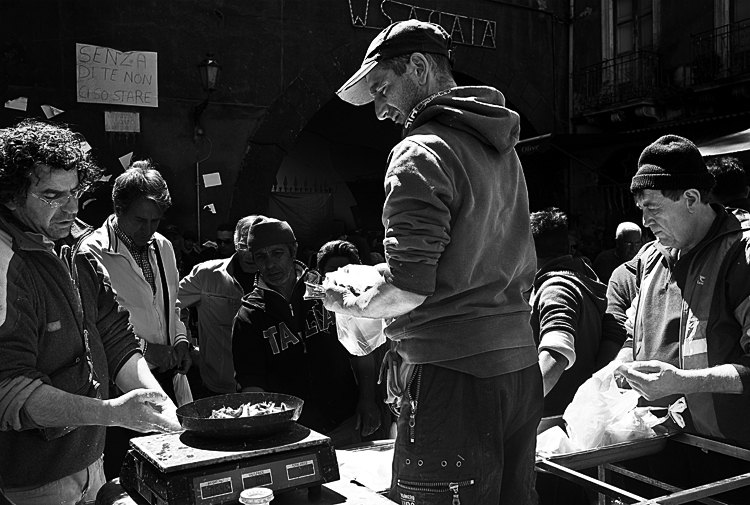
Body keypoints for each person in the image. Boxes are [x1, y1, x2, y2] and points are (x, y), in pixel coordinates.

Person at [329, 20, 543, 504]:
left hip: (454, 376)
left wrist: (342, 300)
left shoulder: (419, 150)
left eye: (382, 89)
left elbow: (408, 287)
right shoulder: (501, 149)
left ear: (419, 67)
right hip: (518, 369)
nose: (380, 110)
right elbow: (471, 258)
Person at [0, 120, 180, 505]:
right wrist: (112, 413)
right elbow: (10, 389)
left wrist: (156, 400)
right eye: (52, 195)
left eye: (75, 192)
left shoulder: (75, 249)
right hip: (32, 483)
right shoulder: (6, 264)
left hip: (90, 462)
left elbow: (115, 336)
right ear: (12, 196)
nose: (72, 208)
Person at [613, 134, 750, 503]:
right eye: (640, 209)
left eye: (653, 208)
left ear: (691, 199)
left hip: (729, 459)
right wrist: (623, 364)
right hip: (659, 445)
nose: (645, 221)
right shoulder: (650, 258)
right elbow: (635, 333)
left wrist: (684, 381)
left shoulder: (741, 254)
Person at [80, 160, 191, 479]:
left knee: (172, 468)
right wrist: (145, 349)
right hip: (120, 388)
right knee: (130, 476)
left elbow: (171, 303)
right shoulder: (92, 252)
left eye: (155, 220)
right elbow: (92, 326)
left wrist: (180, 340)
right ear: (118, 209)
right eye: (140, 220)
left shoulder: (163, 246)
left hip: (166, 378)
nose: (148, 229)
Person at [232, 217, 382, 447]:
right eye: (261, 256)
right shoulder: (248, 316)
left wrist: (368, 400)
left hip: (345, 421)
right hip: (290, 435)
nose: (270, 264)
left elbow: (360, 350)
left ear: (293, 251)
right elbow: (251, 384)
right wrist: (264, 430)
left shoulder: (328, 290)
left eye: (277, 253)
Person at [530, 208, 626, 416]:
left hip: (552, 419)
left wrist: (520, 409)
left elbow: (558, 351)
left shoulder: (556, 290)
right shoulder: (582, 282)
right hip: (577, 414)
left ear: (527, 250)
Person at [316, 239, 394, 441]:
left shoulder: (370, 302)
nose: (340, 276)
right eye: (332, 271)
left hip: (376, 394)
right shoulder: (315, 307)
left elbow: (365, 353)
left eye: (346, 269)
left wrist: (368, 399)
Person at [177, 215, 262, 399]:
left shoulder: (277, 279)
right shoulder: (206, 275)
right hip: (219, 386)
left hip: (266, 386)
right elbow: (170, 306)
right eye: (244, 246)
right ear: (236, 244)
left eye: (255, 246)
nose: (250, 254)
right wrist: (184, 342)